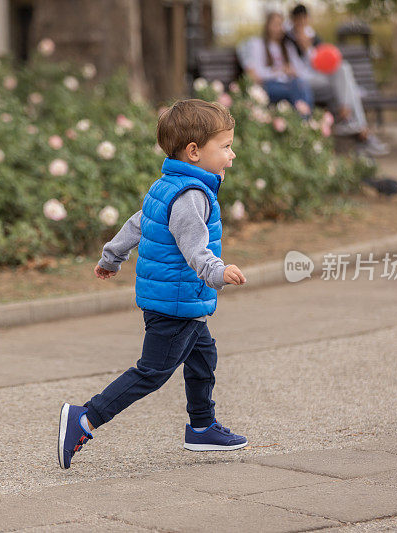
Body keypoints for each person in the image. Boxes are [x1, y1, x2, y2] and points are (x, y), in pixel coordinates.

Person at [57, 99, 248, 470]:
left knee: (202, 357)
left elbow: (138, 223)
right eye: (225, 146)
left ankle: (202, 427)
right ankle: (85, 418)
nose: (232, 154)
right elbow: (195, 248)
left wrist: (111, 256)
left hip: (174, 300)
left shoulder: (167, 186)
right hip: (177, 302)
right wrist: (216, 272)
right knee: (153, 371)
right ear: (194, 152)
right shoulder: (192, 196)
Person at [285, 4, 388, 156]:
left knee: (343, 68)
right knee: (348, 86)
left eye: (304, 19)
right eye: (298, 19)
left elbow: (321, 63)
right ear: (293, 19)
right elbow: (297, 68)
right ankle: (362, 131)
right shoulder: (288, 39)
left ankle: (349, 117)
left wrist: (308, 47)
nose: (301, 22)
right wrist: (304, 47)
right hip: (303, 81)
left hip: (320, 78)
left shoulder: (313, 37)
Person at [242, 11, 314, 114]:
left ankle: (303, 121)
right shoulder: (258, 44)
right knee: (297, 89)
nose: (279, 28)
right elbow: (257, 73)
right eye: (275, 24)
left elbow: (301, 70)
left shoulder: (288, 47)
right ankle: (306, 122)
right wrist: (278, 71)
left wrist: (292, 71)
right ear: (267, 26)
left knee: (300, 84)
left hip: (289, 84)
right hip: (269, 85)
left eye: (281, 24)